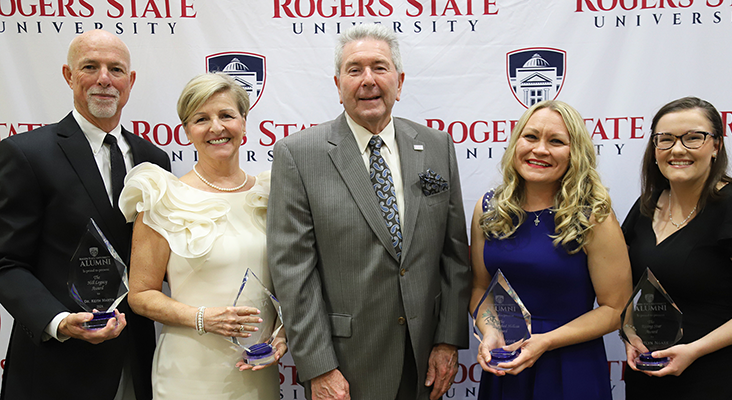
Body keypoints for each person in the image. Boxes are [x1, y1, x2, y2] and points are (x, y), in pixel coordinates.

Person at [267, 24, 470, 400]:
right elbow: (293, 272)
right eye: (354, 69)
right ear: (337, 83)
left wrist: (447, 341)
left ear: (400, 80)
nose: (368, 80)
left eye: (380, 67)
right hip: (345, 363)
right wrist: (319, 365)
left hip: (423, 357)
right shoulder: (299, 155)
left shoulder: (436, 145)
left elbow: (454, 255)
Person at [0, 30, 170, 400]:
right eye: (90, 67)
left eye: (116, 69)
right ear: (69, 75)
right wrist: (59, 322)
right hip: (55, 366)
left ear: (131, 81)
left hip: (135, 360)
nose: (104, 79)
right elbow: (6, 263)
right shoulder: (27, 154)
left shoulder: (155, 161)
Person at [120, 72, 283, 400]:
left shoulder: (272, 194)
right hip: (188, 373)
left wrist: (284, 333)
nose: (216, 128)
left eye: (226, 115)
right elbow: (140, 294)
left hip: (258, 369)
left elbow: (290, 280)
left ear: (244, 123)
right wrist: (202, 317)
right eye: (201, 119)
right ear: (186, 132)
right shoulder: (162, 196)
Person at [621, 96, 732, 399]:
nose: (677, 149)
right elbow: (631, 286)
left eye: (693, 138)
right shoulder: (647, 205)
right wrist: (629, 332)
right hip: (648, 376)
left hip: (715, 379)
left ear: (716, 146)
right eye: (666, 140)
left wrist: (694, 350)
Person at [470, 100, 632, 400]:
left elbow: (615, 309)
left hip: (571, 366)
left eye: (556, 141)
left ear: (575, 153)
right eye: (530, 137)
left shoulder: (594, 215)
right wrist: (490, 331)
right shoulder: (488, 208)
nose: (540, 149)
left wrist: (545, 342)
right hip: (506, 364)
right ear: (516, 142)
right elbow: (480, 288)